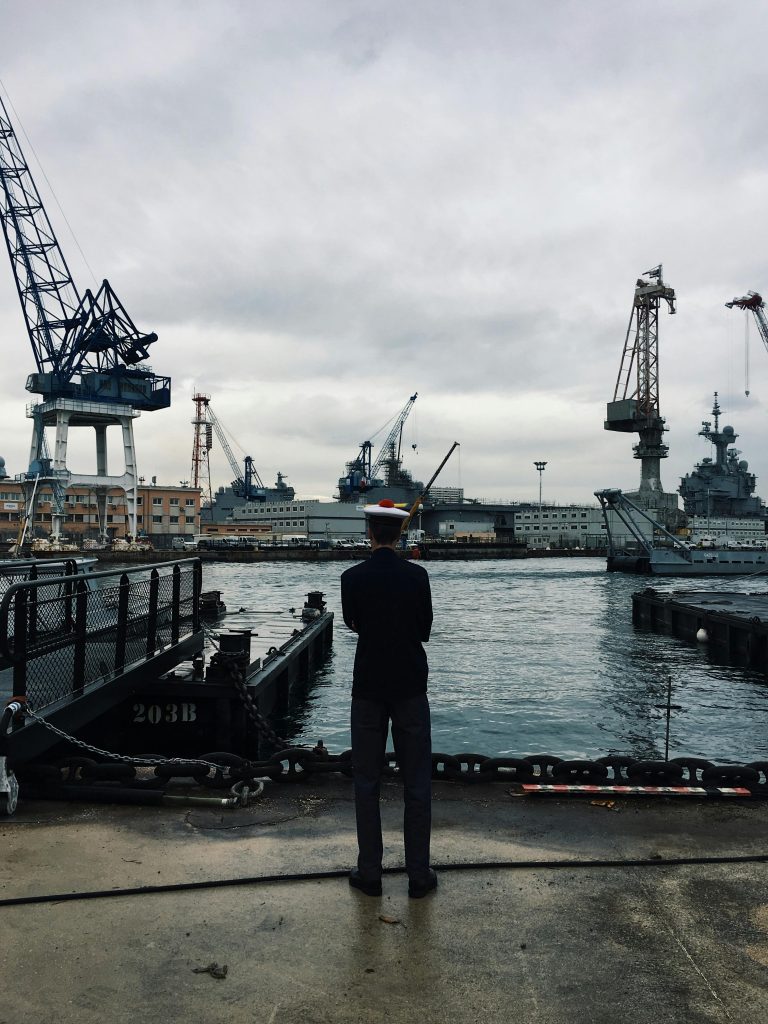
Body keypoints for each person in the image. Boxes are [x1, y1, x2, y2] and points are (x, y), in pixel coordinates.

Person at [340, 498, 437, 899]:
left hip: (368, 687)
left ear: (369, 533)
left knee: (366, 781)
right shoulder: (418, 576)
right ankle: (418, 875)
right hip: (411, 686)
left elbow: (353, 623)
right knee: (416, 780)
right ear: (400, 534)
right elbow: (425, 628)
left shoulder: (351, 577)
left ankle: (370, 873)